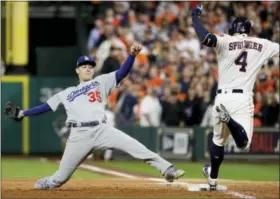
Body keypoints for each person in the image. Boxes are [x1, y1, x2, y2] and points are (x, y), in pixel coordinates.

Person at [4, 43, 184, 189]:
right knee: (60, 179)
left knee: (136, 147)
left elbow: (122, 73)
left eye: (90, 66)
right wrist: (23, 113)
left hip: (101, 129)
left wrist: (132, 56)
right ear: (77, 71)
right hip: (78, 135)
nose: (88, 68)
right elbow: (46, 107)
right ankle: (46, 183)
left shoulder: (101, 81)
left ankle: (167, 169)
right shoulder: (66, 92)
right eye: (84, 66)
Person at [192, 5, 279, 190]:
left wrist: (195, 18)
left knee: (218, 141)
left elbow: (205, 38)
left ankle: (213, 180)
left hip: (222, 98)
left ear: (234, 29)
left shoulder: (225, 40)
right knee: (244, 143)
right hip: (243, 99)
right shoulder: (263, 44)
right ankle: (230, 121)